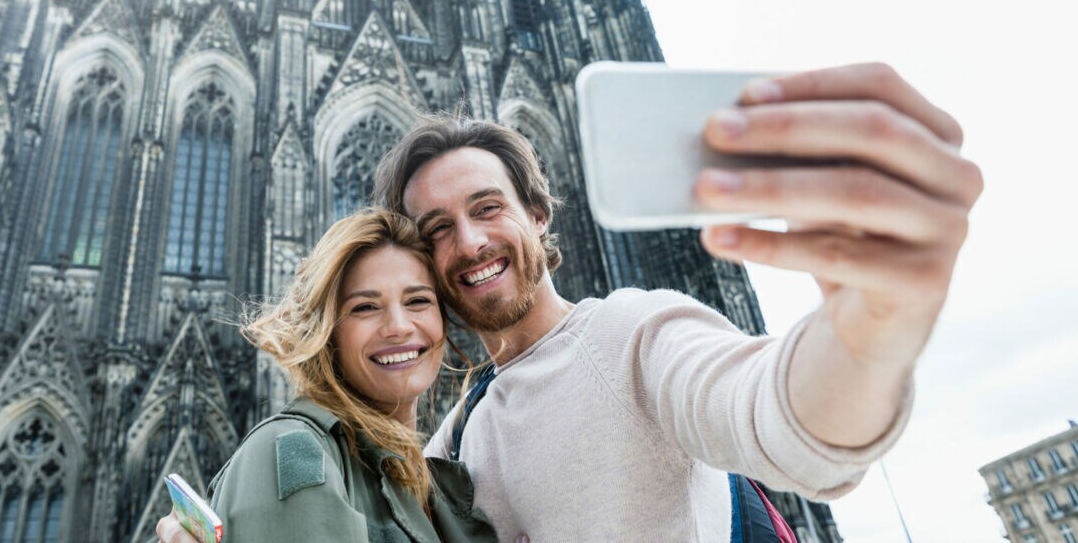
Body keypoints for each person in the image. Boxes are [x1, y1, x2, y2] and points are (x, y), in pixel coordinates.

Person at [160, 63, 982, 542]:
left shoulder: (630, 335)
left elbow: (784, 421)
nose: (470, 242)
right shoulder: (450, 444)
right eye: (438, 229)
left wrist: (869, 332)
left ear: (537, 212)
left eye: (487, 208)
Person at [158, 208, 497, 543]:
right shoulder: (293, 452)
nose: (399, 327)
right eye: (365, 307)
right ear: (326, 331)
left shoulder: (433, 483)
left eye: (418, 300)